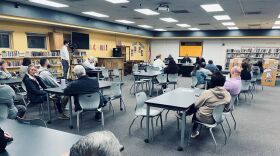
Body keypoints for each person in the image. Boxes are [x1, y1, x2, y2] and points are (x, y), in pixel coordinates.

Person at [188, 72, 231, 138]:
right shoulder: (227, 94)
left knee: (195, 109)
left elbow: (196, 105)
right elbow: (226, 109)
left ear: (212, 82)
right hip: (218, 118)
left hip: (205, 118)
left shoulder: (207, 93)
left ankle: (194, 132)